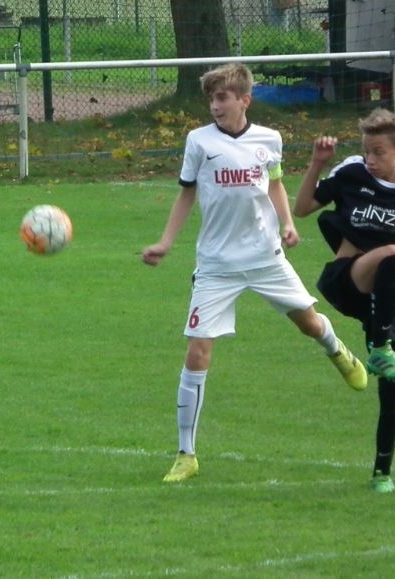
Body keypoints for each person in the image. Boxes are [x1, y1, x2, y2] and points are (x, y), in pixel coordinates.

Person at [141, 63, 368, 484]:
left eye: (222, 98)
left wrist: (287, 222)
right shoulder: (199, 141)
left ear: (244, 100)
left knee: (308, 324)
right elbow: (187, 194)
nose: (215, 106)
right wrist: (166, 242)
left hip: (266, 258)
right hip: (216, 266)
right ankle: (186, 454)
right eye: (211, 99)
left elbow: (275, 183)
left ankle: (336, 349)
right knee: (197, 351)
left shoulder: (269, 140)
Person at [292, 107, 395, 493]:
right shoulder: (352, 173)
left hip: (385, 296)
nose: (370, 159)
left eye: (379, 152)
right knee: (391, 253)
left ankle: (382, 473)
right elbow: (302, 209)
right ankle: (379, 348)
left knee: (393, 380)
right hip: (346, 279)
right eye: (367, 150)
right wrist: (317, 163)